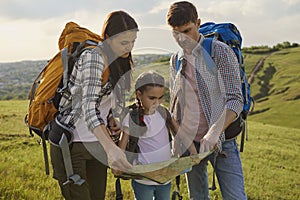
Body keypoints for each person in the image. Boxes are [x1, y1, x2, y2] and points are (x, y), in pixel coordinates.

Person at [48, 10, 138, 200]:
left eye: (132, 42)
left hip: (97, 143)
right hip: (72, 143)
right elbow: (88, 106)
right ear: (106, 38)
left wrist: (113, 117)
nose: (129, 48)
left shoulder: (118, 61)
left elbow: (103, 102)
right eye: (124, 42)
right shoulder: (93, 58)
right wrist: (112, 149)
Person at [167, 1, 247, 200]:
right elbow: (176, 103)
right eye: (176, 34)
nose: (182, 39)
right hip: (191, 144)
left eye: (187, 30)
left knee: (235, 196)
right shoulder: (175, 59)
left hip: (222, 141)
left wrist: (213, 133)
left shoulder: (219, 52)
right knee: (198, 197)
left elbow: (235, 100)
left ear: (198, 23)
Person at [117, 71, 196, 200]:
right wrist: (119, 163)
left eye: (160, 98)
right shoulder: (132, 118)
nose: (157, 102)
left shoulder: (163, 113)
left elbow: (180, 132)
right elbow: (123, 143)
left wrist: (192, 149)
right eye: (152, 98)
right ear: (139, 94)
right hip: (143, 180)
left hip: (164, 178)